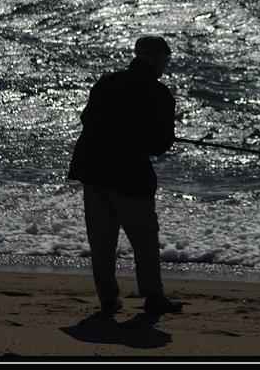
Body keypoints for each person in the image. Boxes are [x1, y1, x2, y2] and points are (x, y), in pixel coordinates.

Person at [68, 35, 182, 315]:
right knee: (144, 239)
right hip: (129, 176)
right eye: (164, 60)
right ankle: (153, 296)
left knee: (102, 240)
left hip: (92, 170)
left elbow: (87, 119)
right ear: (154, 60)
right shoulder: (159, 94)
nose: (164, 66)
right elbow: (160, 146)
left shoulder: (107, 83)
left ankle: (108, 299)